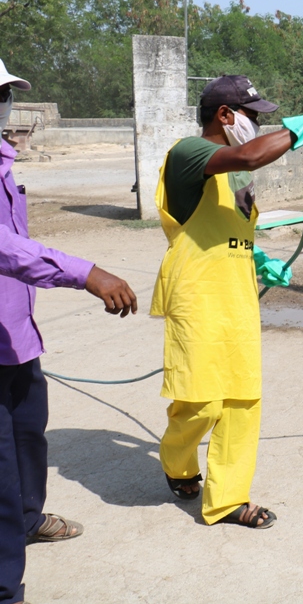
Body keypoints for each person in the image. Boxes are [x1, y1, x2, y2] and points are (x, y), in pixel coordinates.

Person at [152, 75, 303, 530]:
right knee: (201, 404)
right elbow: (249, 153)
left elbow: (228, 232)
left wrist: (259, 258)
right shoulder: (189, 154)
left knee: (243, 404)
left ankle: (227, 499)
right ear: (224, 116)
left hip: (238, 301)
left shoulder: (232, 181)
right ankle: (177, 460)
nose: (255, 124)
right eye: (252, 115)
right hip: (198, 302)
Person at [0, 58, 138, 604]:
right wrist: (85, 272)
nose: (4, 107)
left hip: (15, 337)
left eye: (5, 96)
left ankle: (29, 522)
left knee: (29, 438)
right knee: (1, 475)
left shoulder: (4, 163)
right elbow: (6, 248)